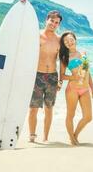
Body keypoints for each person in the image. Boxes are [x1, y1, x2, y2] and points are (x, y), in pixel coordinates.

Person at [28, 10, 63, 143]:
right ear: (46, 20)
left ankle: (45, 137)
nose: (54, 24)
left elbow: (62, 62)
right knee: (33, 108)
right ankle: (32, 136)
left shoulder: (59, 40)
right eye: (52, 21)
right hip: (37, 75)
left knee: (49, 108)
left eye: (57, 23)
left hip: (52, 77)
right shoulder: (36, 36)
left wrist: (60, 79)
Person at [59, 31, 93, 145]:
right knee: (70, 115)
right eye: (66, 41)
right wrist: (72, 76)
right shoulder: (65, 57)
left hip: (85, 89)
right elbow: (62, 75)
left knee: (88, 117)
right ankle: (72, 139)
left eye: (70, 39)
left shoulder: (83, 53)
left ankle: (74, 135)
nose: (69, 42)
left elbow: (87, 72)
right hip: (72, 89)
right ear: (64, 44)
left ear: (75, 39)